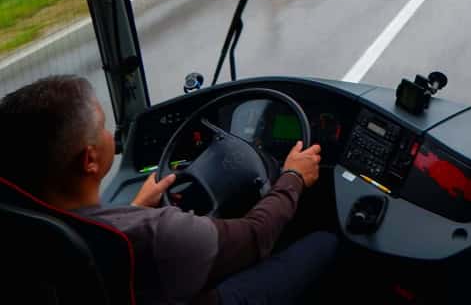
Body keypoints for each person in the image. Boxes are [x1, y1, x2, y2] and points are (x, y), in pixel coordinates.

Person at [0, 75, 338, 305]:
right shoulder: (158, 233)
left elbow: (106, 236)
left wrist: (134, 208)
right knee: (325, 242)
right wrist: (293, 176)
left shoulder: (22, 224)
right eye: (103, 127)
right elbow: (255, 235)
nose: (109, 134)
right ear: (89, 160)